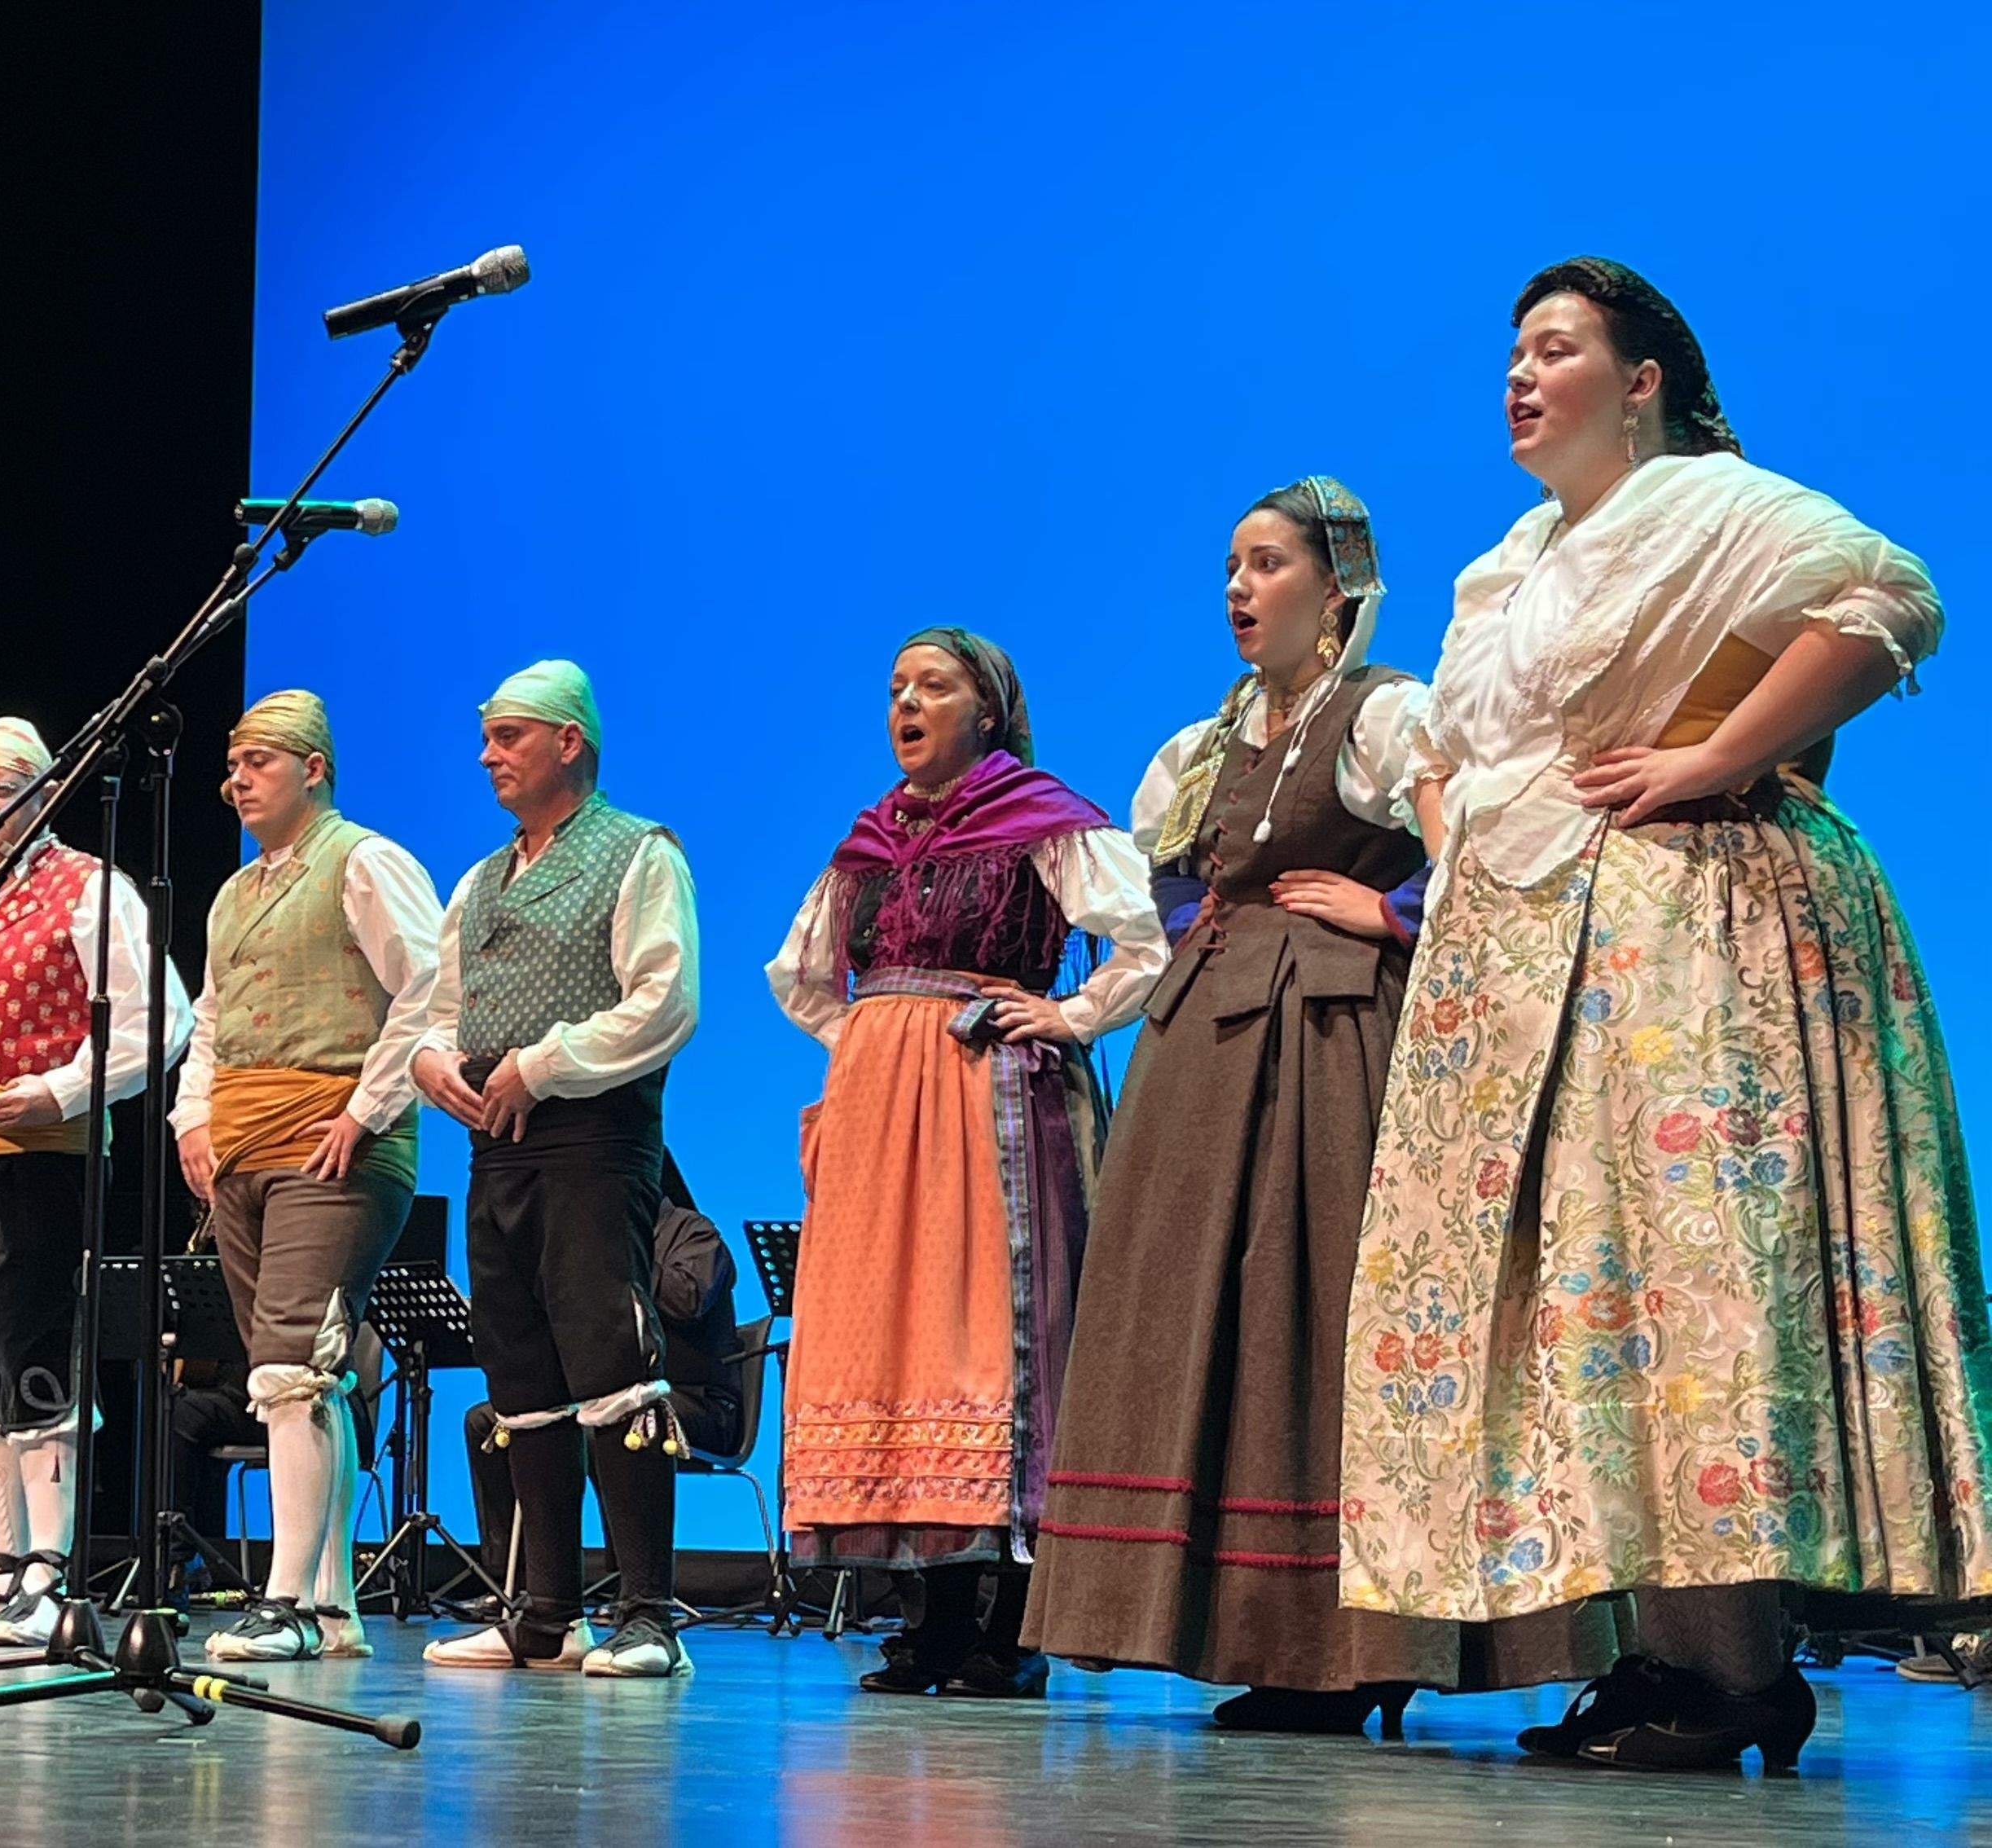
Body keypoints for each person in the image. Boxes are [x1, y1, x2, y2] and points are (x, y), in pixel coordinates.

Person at [1339, 256, 1985, 1774]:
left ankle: (1739, 1667)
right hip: (1524, 961)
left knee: (1695, 1281)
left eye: (1553, 349)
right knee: (1585, 1298)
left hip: (1678, 939)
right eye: (1510, 350)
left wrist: (1711, 757)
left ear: (1639, 383)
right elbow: (1444, 738)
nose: (1517, 373)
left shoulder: (1710, 505)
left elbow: (1892, 597)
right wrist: (1459, 834)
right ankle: (1655, 1651)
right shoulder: (1511, 561)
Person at [1021, 482, 1612, 1732]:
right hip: (1205, 1056)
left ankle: (1359, 1645)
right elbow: (1164, 894)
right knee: (1206, 1325)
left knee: (1318, 1314)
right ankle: (1265, 1643)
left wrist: (1389, 914)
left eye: (1269, 563)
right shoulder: (1206, 743)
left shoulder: (1385, 714)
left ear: (1336, 586)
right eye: (1231, 564)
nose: (1240, 587)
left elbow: (1477, 856)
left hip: (1329, 1042)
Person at [767, 627, 1164, 1697]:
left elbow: (1147, 939)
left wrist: (1070, 1015)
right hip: (883, 1116)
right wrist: (873, 1042)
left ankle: (1013, 1624)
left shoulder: (1038, 818)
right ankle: (932, 1616)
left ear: (984, 711)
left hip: (992, 1103)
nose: (907, 701)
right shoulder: (869, 841)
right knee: (895, 1350)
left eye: (932, 686)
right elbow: (800, 976)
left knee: (987, 1341)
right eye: (896, 685)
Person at [411, 659, 702, 1679]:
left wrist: (542, 1065)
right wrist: (433, 1063)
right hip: (496, 1148)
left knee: (611, 1375)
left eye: (509, 738)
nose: (488, 756)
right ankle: (541, 1612)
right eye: (487, 738)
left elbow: (663, 1003)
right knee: (521, 1380)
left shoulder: (637, 854)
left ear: (568, 744)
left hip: (590, 1142)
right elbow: (439, 1007)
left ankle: (650, 1614)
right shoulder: (482, 880)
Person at [0, 718, 191, 1646]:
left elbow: (159, 1018)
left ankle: (48, 1575)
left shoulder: (88, 892)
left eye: (1, 791)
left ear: (44, 794)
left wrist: (58, 1091)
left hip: (43, 1164)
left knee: (36, 1353)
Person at [171, 689, 445, 1662]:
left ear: (314, 769)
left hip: (333, 1144)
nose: (235, 780)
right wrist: (192, 1117)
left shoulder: (364, 861)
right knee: (290, 1376)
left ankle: (283, 1600)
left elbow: (427, 988)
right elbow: (211, 1018)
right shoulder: (235, 893)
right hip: (243, 1148)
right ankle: (330, 1609)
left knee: (293, 1362)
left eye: (258, 762)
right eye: (232, 763)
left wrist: (366, 1110)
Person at [462, 1169, 743, 1575]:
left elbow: (687, 1300)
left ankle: (627, 1584)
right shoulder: (587, 1249)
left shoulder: (694, 1233)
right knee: (486, 1421)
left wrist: (621, 1254)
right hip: (604, 1393)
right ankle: (515, 1581)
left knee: (614, 1424)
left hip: (693, 1401)